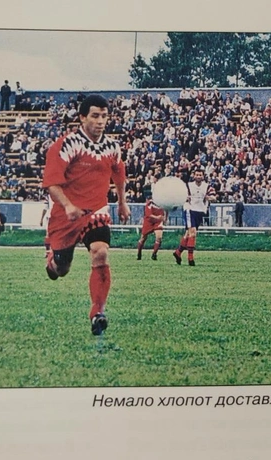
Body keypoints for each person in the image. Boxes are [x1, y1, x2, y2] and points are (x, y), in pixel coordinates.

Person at [42, 94, 130, 336]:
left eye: (104, 116)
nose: (100, 121)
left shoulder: (112, 147)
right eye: (95, 116)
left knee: (100, 252)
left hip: (96, 210)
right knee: (62, 269)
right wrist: (68, 205)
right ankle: (52, 260)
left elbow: (119, 173)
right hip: (66, 214)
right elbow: (51, 184)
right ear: (82, 117)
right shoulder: (67, 145)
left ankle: (97, 312)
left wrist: (122, 203)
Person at [173, 169, 216, 266]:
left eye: (200, 175)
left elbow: (214, 197)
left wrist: (209, 198)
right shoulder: (188, 185)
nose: (198, 176)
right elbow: (180, 195)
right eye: (197, 175)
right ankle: (190, 258)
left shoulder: (207, 186)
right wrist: (185, 198)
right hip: (190, 209)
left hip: (200, 211)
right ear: (194, 176)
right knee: (193, 233)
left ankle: (178, 252)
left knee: (188, 234)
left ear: (203, 176)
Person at [137, 196, 168, 261]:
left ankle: (154, 254)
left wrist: (165, 218)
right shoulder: (150, 203)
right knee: (143, 238)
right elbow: (149, 215)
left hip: (158, 221)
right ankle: (139, 253)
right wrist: (158, 217)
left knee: (159, 237)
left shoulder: (163, 202)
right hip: (149, 221)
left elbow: (167, 209)